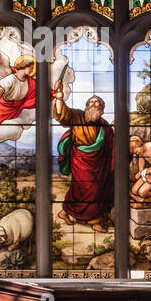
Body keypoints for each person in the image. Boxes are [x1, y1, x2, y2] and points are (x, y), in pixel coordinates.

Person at [52, 81, 114, 232]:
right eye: (91, 102)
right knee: (86, 188)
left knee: (94, 189)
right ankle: (95, 221)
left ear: (102, 109)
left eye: (97, 102)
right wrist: (59, 99)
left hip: (99, 164)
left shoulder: (105, 126)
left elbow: (112, 145)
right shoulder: (78, 116)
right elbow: (63, 116)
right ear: (86, 106)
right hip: (80, 160)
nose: (94, 104)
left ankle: (65, 212)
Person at [0, 46, 36, 124]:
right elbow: (0, 91)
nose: (32, 70)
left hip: (14, 110)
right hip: (2, 108)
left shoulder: (29, 81)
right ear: (24, 66)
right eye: (31, 68)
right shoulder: (11, 79)